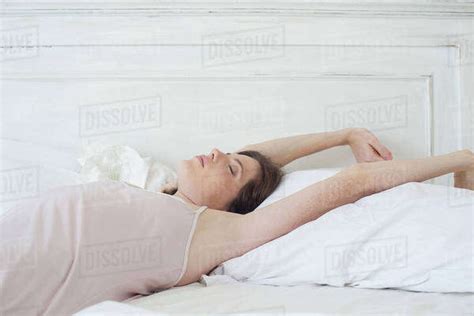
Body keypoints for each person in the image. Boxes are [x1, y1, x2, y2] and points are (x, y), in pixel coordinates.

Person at [172, 127, 474, 286]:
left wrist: (460, 160)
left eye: (229, 164)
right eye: (228, 160)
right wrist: (343, 135)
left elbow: (356, 180)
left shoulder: (209, 229)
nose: (214, 152)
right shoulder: (163, 190)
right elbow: (253, 159)